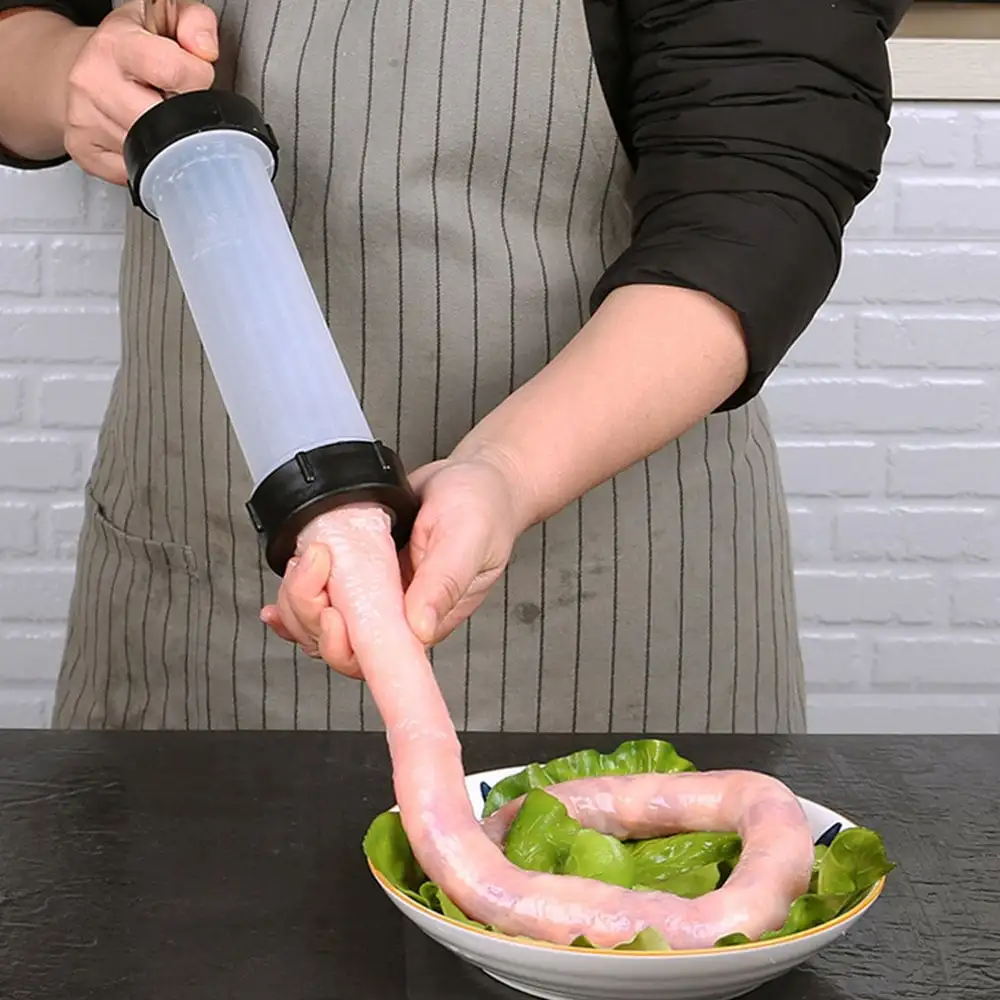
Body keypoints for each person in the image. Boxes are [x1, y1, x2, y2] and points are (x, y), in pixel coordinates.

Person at [0, 0, 910, 734]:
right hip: (190, 604)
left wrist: (504, 472)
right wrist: (68, 75)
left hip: (600, 617)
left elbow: (755, 213)